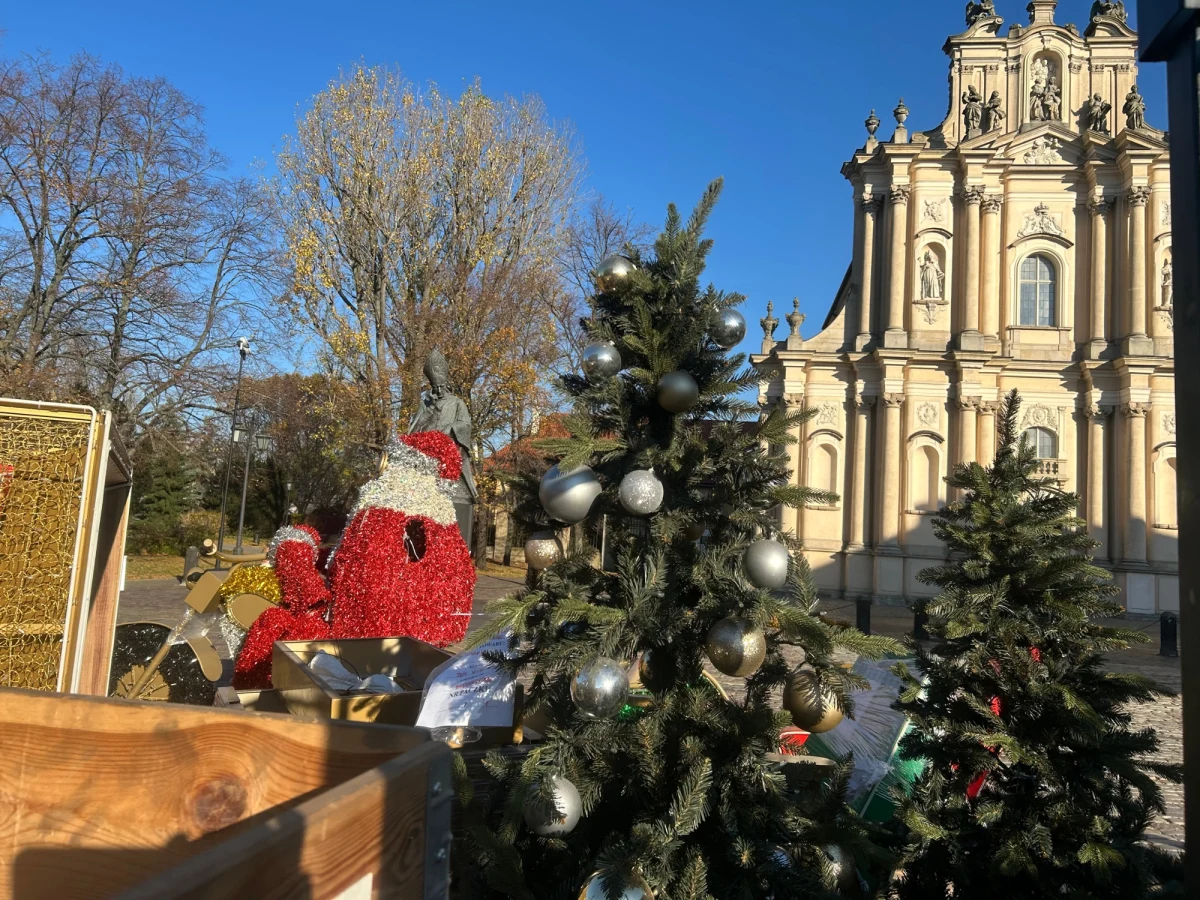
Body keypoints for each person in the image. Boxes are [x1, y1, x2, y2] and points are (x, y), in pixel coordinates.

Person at [408, 349, 478, 543]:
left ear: (446, 384)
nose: (438, 388)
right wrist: (427, 414)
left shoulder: (457, 403)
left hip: (449, 456)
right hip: (427, 459)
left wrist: (450, 428)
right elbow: (413, 429)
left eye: (440, 385)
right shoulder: (426, 405)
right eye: (434, 385)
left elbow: (466, 425)